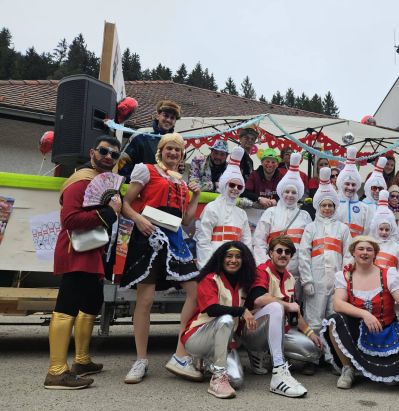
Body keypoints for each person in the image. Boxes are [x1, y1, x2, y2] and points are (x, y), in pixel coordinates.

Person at [120, 133, 202, 384]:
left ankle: (180, 354)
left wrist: (196, 197)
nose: (173, 153)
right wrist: (138, 219)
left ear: (182, 155)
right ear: (161, 151)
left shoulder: (181, 181)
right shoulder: (146, 170)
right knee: (145, 299)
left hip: (175, 239)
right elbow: (125, 203)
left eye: (178, 150)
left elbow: (186, 220)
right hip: (149, 236)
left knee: (195, 292)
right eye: (169, 149)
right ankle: (141, 360)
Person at [44, 136, 122, 389]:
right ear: (92, 153)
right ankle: (56, 371)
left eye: (114, 154)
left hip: (93, 252)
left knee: (91, 303)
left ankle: (82, 360)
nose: (108, 157)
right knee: (66, 307)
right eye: (104, 151)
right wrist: (107, 213)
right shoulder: (80, 181)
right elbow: (70, 220)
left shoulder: (102, 181)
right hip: (75, 250)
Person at [321, 236, 399, 389]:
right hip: (358, 331)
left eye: (369, 249)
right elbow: (338, 304)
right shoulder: (345, 276)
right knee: (334, 320)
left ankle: (380, 369)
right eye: (361, 249)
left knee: (393, 379)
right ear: (353, 252)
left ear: (375, 254)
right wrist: (365, 314)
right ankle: (348, 369)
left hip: (386, 330)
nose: (365, 252)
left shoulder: (388, 274)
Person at [242, 236, 322, 397]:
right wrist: (286, 305)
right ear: (271, 253)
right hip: (253, 329)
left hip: (279, 329)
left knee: (313, 351)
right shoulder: (262, 270)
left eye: (287, 252)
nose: (283, 254)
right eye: (279, 251)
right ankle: (277, 368)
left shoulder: (290, 278)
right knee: (276, 307)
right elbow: (258, 299)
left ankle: (268, 354)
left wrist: (310, 333)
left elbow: (294, 311)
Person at [181, 241, 257, 399]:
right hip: (198, 338)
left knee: (236, 381)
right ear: (221, 258)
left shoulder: (244, 283)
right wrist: (242, 311)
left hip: (225, 342)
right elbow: (212, 309)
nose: (233, 260)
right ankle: (217, 378)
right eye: (229, 256)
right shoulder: (210, 278)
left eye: (238, 256)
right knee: (226, 319)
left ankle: (208, 362)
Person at [299, 167, 352, 363]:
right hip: (316, 280)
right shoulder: (311, 228)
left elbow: (348, 255)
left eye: (330, 205)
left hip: (336, 282)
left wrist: (344, 281)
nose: (327, 209)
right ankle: (313, 358)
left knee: (333, 319)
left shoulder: (343, 229)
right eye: (324, 205)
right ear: (318, 207)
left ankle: (332, 358)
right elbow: (303, 254)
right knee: (313, 319)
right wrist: (306, 280)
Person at [253, 152, 312, 283]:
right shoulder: (270, 212)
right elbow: (259, 241)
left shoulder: (305, 216)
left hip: (296, 275)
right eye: (287, 191)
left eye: (294, 192)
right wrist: (265, 266)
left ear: (299, 194)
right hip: (271, 273)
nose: (290, 195)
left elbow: (307, 247)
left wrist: (306, 277)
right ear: (281, 192)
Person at [195, 147, 253, 268]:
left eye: (239, 187)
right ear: (224, 185)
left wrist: (248, 267)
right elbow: (203, 241)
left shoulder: (242, 213)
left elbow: (247, 242)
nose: (235, 189)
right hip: (215, 262)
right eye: (232, 185)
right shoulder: (212, 208)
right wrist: (207, 267)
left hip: (236, 266)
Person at [118, 100, 181, 181]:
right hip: (139, 185)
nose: (168, 120)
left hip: (163, 186)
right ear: (158, 116)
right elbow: (123, 161)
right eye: (165, 115)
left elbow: (176, 168)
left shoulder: (176, 142)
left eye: (172, 118)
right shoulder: (141, 135)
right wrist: (132, 180)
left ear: (175, 122)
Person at [336, 147, 372, 238]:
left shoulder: (365, 208)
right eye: (347, 184)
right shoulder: (333, 205)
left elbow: (368, 232)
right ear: (340, 184)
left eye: (353, 184)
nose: (350, 187)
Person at [369, 190, 399, 276]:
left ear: (391, 230)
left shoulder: (397, 248)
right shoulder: (369, 245)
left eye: (387, 230)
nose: (384, 232)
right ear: (376, 229)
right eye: (381, 229)